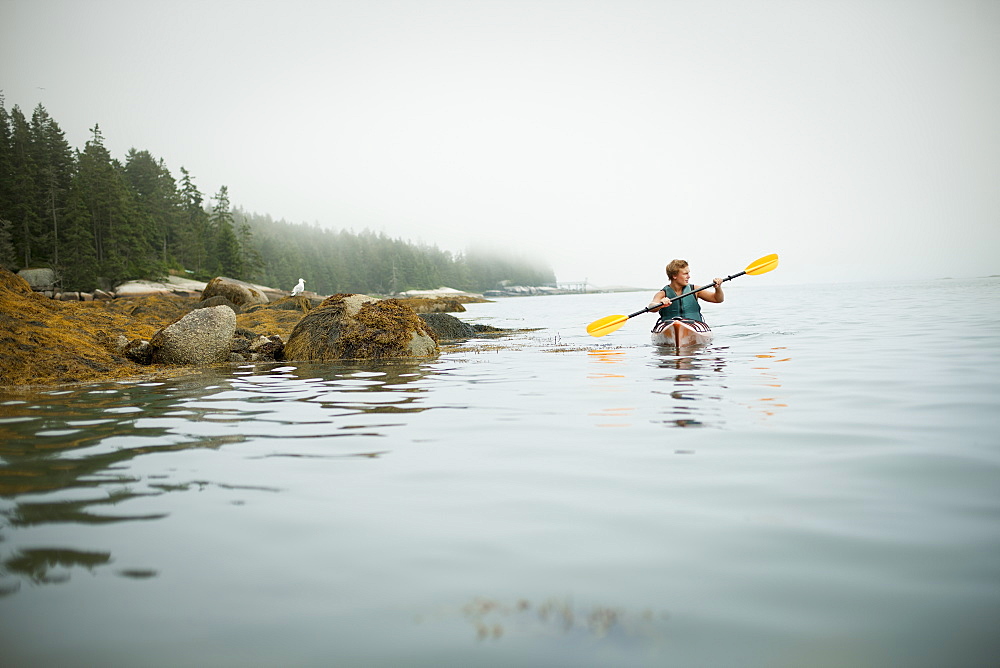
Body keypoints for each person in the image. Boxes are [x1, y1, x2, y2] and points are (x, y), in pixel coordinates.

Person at [646, 259, 724, 324]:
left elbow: (718, 299)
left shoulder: (695, 290)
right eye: (685, 274)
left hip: (693, 324)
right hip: (670, 325)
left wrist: (718, 288)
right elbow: (651, 306)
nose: (689, 276)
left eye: (688, 273)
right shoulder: (662, 294)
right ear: (674, 276)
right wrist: (660, 304)